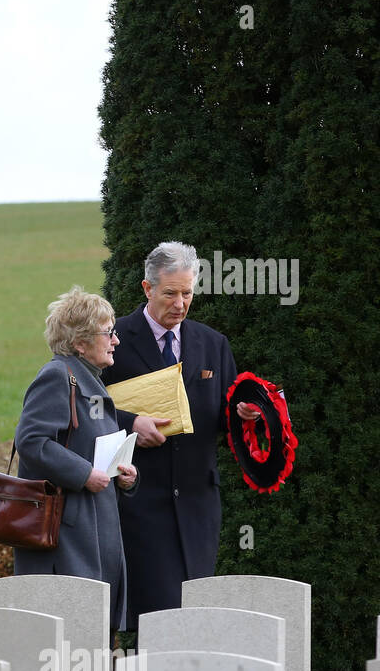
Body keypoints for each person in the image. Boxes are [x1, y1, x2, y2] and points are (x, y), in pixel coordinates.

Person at [100, 241, 260, 630]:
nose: (180, 303)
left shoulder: (212, 343)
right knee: (153, 614)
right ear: (146, 288)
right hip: (138, 501)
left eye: (187, 293)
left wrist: (246, 416)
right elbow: (90, 411)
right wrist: (131, 422)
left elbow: (224, 420)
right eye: (170, 293)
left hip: (197, 502)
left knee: (194, 614)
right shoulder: (113, 339)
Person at [13, 287, 138, 630]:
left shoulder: (89, 379)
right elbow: (31, 440)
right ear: (80, 342)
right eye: (107, 333)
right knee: (71, 630)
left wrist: (125, 476)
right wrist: (84, 473)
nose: (115, 341)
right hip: (67, 528)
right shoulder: (57, 376)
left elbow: (92, 447)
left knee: (92, 629)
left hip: (96, 522)